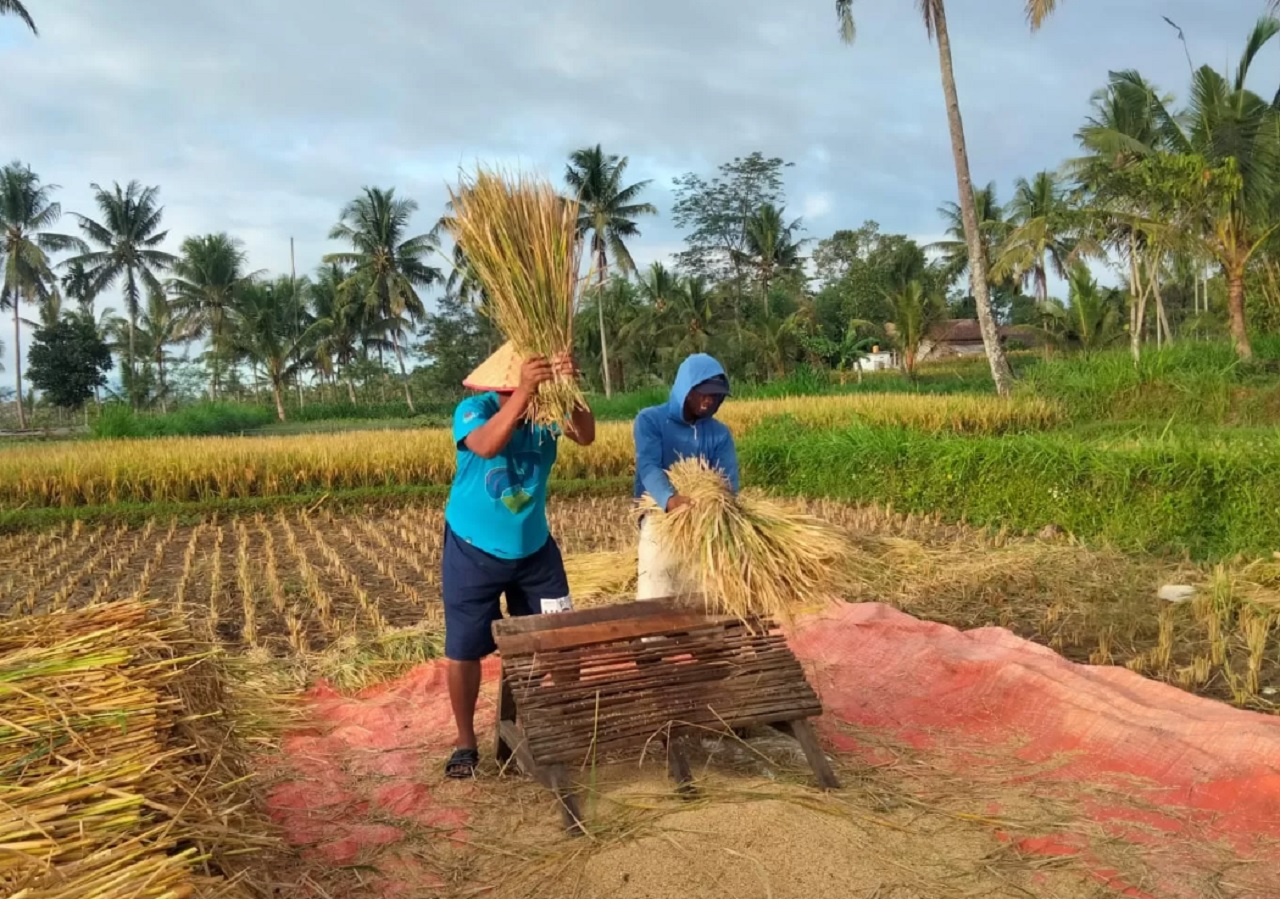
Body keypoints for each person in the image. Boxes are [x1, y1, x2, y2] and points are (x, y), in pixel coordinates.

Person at [441, 341, 595, 779]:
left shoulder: (549, 412)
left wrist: (570, 386)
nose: (522, 395)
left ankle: (568, 725)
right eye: (516, 387)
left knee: (560, 639)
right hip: (474, 549)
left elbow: (585, 435)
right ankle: (466, 744)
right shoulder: (473, 409)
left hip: (535, 550)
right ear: (503, 385)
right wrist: (524, 396)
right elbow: (487, 446)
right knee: (465, 649)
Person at [633, 353, 738, 600]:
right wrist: (670, 500)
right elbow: (648, 466)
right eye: (703, 393)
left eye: (715, 395)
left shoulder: (719, 434)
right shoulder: (650, 421)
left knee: (703, 600)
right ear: (686, 390)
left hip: (705, 525)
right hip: (661, 522)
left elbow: (727, 481)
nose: (709, 400)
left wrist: (716, 506)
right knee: (656, 599)